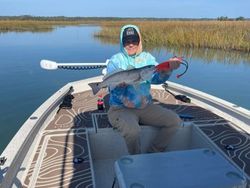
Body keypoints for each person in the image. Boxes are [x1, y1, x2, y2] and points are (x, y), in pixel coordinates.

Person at [107, 24, 182, 155]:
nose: (131, 44)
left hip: (145, 107)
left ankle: (153, 152)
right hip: (120, 108)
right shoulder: (115, 61)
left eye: (134, 40)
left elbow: (157, 79)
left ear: (139, 41)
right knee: (133, 131)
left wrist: (167, 69)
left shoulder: (148, 59)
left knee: (174, 121)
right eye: (127, 41)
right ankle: (136, 159)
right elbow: (112, 89)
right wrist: (118, 87)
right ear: (122, 42)